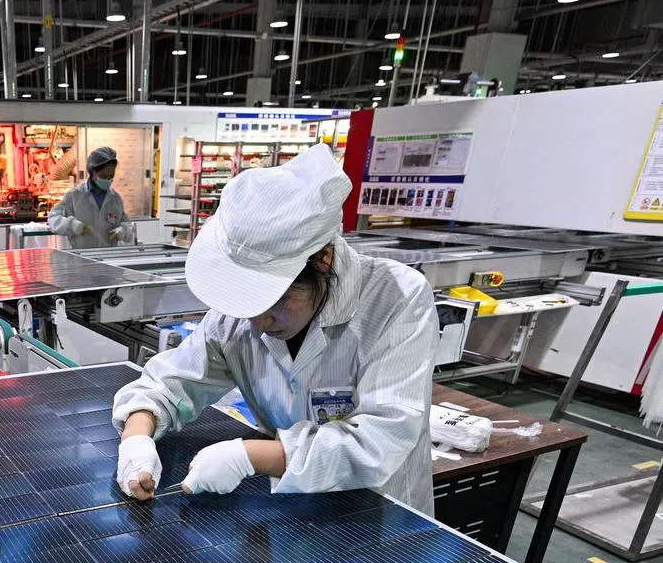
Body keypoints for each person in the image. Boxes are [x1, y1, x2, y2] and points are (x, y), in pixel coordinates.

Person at [113, 144, 437, 514]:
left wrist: (251, 456)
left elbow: (383, 440)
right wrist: (136, 441)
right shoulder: (237, 316)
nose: (257, 322)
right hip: (287, 508)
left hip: (377, 509)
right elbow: (168, 384)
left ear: (323, 259)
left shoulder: (396, 299)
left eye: (274, 301)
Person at [47, 145, 133, 250]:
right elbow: (53, 218)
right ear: (93, 172)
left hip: (108, 258)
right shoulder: (75, 195)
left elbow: (127, 224)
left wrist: (123, 230)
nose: (108, 180)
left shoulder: (115, 199)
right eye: (104, 176)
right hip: (82, 257)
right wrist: (72, 225)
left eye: (111, 176)